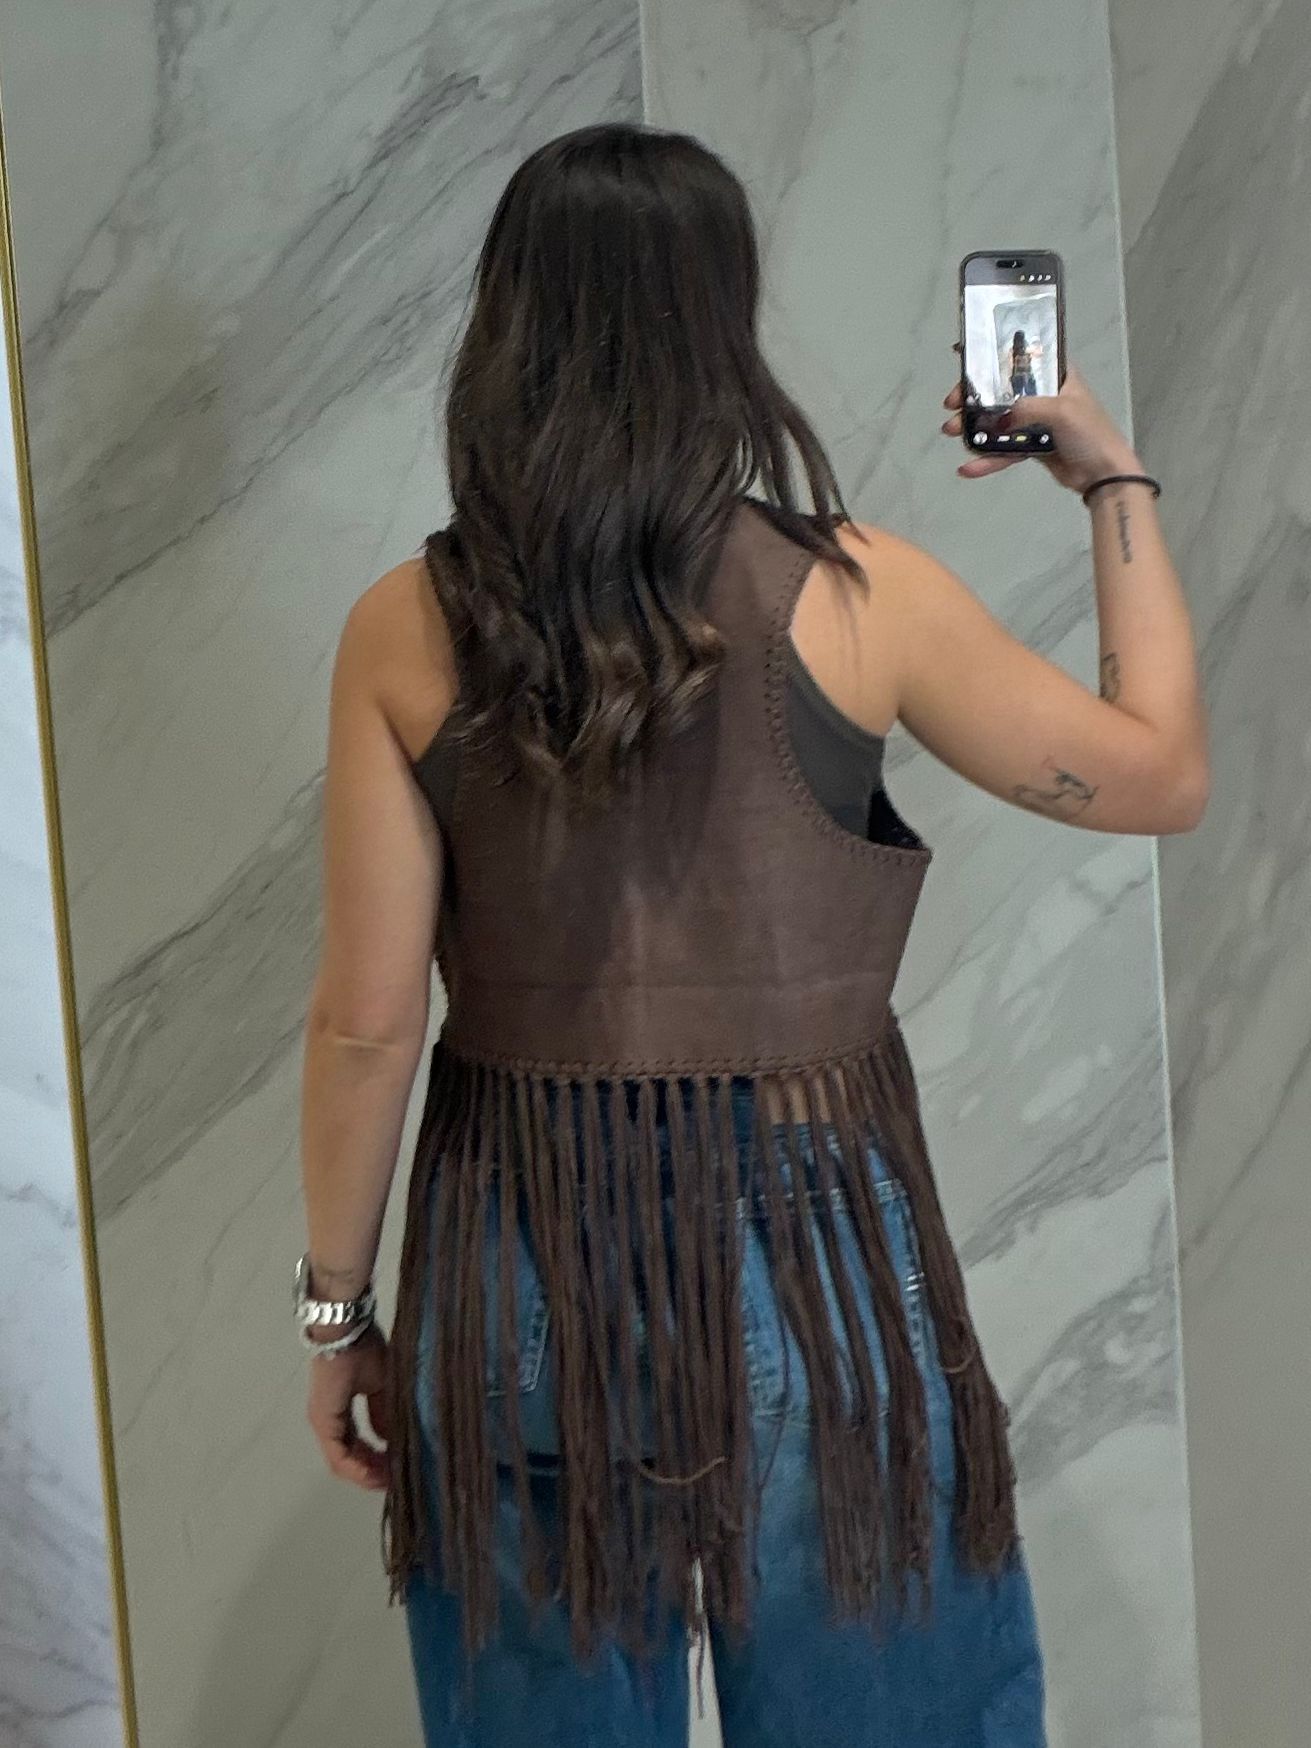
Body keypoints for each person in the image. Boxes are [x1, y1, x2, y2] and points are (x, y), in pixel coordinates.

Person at [297, 122, 1208, 1748]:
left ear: (507, 325)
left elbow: (365, 1026)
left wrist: (337, 1314)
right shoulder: (858, 596)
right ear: (720, 322)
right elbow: (1160, 773)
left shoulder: (404, 626)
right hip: (815, 1264)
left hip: (514, 1263)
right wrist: (1107, 479)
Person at [1010, 327, 1039, 397]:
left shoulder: (1022, 349)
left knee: (1026, 394)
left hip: (1022, 375)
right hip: (1020, 375)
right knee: (1024, 394)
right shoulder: (1020, 350)